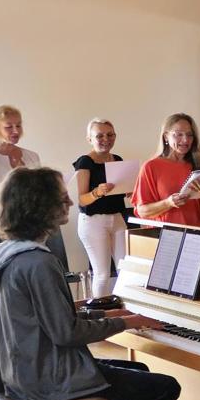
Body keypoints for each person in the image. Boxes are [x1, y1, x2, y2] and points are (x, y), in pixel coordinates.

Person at [0, 167, 177, 400]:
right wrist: (127, 323)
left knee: (138, 375)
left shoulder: (5, 252)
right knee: (164, 388)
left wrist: (111, 313)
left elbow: (51, 317)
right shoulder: (38, 263)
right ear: (38, 205)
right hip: (47, 376)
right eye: (61, 197)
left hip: (23, 370)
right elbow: (66, 332)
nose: (70, 201)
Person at [133, 113, 200, 228]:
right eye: (178, 134)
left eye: (189, 135)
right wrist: (168, 203)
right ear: (166, 136)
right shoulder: (150, 167)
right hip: (167, 235)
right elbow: (142, 211)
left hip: (199, 234)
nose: (185, 140)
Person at [72, 119, 128, 299]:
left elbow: (122, 192)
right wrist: (97, 192)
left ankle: (124, 312)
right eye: (99, 136)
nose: (106, 139)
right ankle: (100, 317)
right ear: (90, 139)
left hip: (117, 218)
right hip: (93, 221)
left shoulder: (117, 159)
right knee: (102, 273)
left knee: (126, 269)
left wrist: (129, 191)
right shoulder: (85, 162)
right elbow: (82, 199)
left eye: (110, 135)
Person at [0, 105, 43, 247]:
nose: (16, 131)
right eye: (9, 127)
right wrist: (14, 209)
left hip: (30, 223)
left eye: (19, 125)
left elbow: (39, 190)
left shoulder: (32, 156)